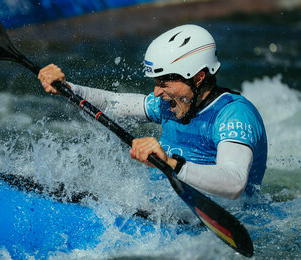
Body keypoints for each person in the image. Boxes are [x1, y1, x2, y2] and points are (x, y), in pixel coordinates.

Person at [38, 24, 267, 200]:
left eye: (165, 82)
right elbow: (111, 104)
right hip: (165, 212)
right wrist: (67, 89)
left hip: (219, 223)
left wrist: (171, 163)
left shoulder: (234, 114)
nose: (157, 92)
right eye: (156, 81)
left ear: (198, 77)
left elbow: (234, 183)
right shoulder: (171, 104)